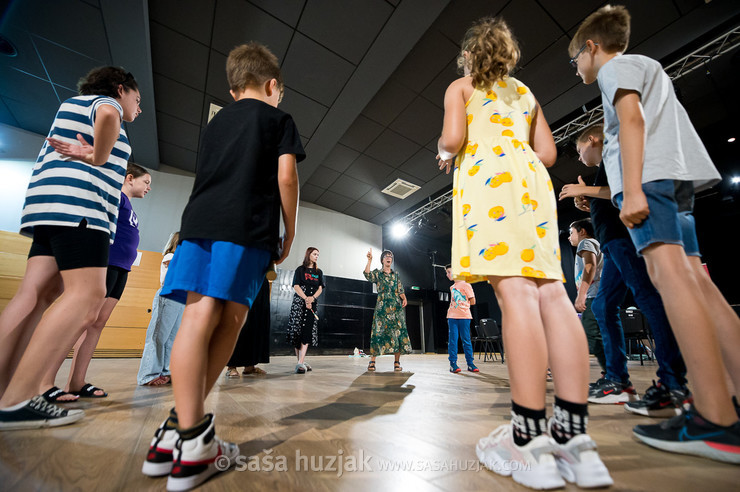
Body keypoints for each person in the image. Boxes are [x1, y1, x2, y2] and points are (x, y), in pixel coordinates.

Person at [436, 17, 612, 489]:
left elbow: (453, 140)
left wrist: (444, 149)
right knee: (552, 295)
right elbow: (549, 155)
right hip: (531, 185)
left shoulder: (462, 86)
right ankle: (575, 441)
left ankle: (529, 440)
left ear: (470, 55)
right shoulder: (526, 93)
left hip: (488, 186)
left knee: (514, 296)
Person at [570, 5, 740, 463]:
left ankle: (714, 417)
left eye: (576, 59)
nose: (578, 68)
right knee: (699, 284)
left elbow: (631, 123)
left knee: (672, 283)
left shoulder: (613, 69)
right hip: (674, 180)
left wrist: (634, 188)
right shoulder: (648, 66)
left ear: (591, 47)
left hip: (650, 182)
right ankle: (727, 402)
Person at [139, 42, 303, 490]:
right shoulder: (278, 119)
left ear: (233, 90)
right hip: (244, 226)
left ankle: (175, 432)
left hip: (197, 224)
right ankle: (193, 441)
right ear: (273, 86)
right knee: (230, 320)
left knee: (199, 315)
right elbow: (286, 177)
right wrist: (290, 229)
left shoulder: (215, 124)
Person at [0, 66, 141, 430]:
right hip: (81, 209)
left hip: (48, 207)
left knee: (34, 295)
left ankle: (5, 393)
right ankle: (18, 399)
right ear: (120, 89)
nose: (137, 108)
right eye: (137, 100)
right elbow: (110, 114)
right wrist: (95, 155)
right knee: (88, 294)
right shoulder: (104, 104)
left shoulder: (72, 105)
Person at [560, 124, 689, 412]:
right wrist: (590, 199)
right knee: (603, 306)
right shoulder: (604, 166)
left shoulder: (614, 154)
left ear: (592, 140)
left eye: (581, 151)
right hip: (612, 241)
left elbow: (624, 188)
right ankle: (618, 380)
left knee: (646, 297)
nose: (580, 158)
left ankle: (673, 382)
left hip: (622, 238)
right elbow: (613, 195)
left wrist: (584, 190)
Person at [35, 162, 151, 401]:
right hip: (105, 263)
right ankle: (44, 381)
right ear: (130, 178)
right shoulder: (116, 196)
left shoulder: (129, 206)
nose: (148, 187)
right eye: (146, 182)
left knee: (97, 323)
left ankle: (76, 382)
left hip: (121, 269)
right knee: (81, 320)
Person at [137, 232, 185, 386]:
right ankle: (147, 375)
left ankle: (166, 371)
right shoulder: (170, 257)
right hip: (168, 296)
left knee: (172, 339)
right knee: (158, 336)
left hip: (181, 299)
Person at [567, 219, 609, 380]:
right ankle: (610, 372)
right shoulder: (593, 243)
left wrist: (581, 294)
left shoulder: (586, 243)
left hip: (593, 295)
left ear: (582, 231)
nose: (569, 237)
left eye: (572, 233)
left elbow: (589, 266)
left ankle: (611, 373)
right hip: (597, 294)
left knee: (591, 332)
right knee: (596, 333)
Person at [363, 249, 412, 372]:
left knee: (398, 333)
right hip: (382, 308)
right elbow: (367, 274)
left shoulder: (396, 275)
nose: (388, 257)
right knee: (377, 332)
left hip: (396, 307)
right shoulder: (378, 274)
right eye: (386, 256)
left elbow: (400, 289)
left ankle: (396, 362)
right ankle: (372, 362)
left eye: (390, 256)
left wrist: (404, 298)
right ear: (382, 260)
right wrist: (369, 260)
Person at [286, 247, 325, 374]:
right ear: (308, 254)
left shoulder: (318, 272)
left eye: (318, 254)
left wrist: (312, 299)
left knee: (307, 331)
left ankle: (300, 362)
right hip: (299, 304)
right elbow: (296, 286)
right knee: (297, 332)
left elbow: (320, 288)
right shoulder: (300, 270)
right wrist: (305, 299)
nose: (316, 256)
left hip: (312, 304)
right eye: (314, 254)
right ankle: (300, 362)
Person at [225, 276, 271, 378]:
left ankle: (250, 366)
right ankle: (231, 366)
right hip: (243, 275)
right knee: (240, 321)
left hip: (260, 278)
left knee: (256, 322)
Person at [445, 265, 478, 373]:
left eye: (449, 272)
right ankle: (453, 364)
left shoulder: (466, 284)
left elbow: (473, 301)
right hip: (452, 316)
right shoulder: (452, 287)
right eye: (447, 272)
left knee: (466, 340)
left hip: (464, 316)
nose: (447, 274)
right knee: (453, 341)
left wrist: (463, 304)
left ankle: (470, 364)